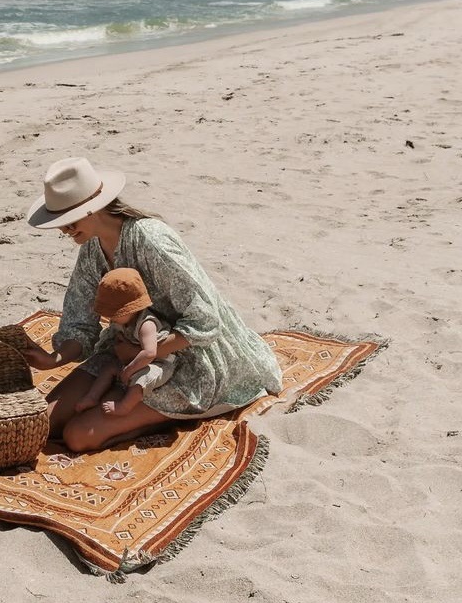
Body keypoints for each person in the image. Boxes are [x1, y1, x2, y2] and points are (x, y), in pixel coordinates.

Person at [22, 156, 283, 453]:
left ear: (93, 206)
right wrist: (52, 360)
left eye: (70, 220)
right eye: (60, 223)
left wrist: (140, 353)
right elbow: (80, 324)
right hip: (123, 352)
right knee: (41, 423)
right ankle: (131, 401)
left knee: (78, 436)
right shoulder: (92, 249)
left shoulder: (151, 239)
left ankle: (163, 417)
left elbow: (206, 320)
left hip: (187, 357)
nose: (65, 231)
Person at [75, 268, 176, 417]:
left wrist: (129, 370)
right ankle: (92, 397)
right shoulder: (124, 321)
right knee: (109, 369)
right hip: (134, 358)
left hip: (159, 362)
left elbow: (150, 353)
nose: (110, 318)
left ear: (131, 309)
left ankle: (124, 407)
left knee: (141, 381)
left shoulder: (146, 324)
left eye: (114, 314)